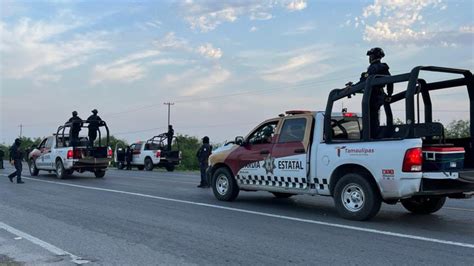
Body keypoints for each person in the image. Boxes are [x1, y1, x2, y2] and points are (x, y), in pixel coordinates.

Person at [348, 47, 392, 138]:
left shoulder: (373, 68)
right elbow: (390, 81)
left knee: (370, 117)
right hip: (379, 95)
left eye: (370, 56)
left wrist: (352, 88)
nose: (369, 58)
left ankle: (369, 134)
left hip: (372, 95)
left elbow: (364, 81)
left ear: (373, 56)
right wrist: (389, 94)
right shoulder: (383, 67)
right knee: (374, 117)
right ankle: (373, 133)